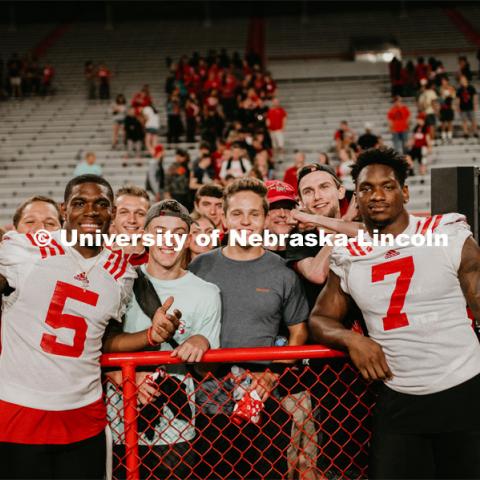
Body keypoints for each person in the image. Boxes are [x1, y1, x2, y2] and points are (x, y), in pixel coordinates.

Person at [309, 147, 480, 479]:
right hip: (398, 397)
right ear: (356, 197)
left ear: (403, 191)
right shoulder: (349, 254)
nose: (376, 195)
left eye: (387, 186)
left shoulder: (446, 235)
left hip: (465, 390)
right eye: (366, 188)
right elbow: (320, 318)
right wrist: (352, 340)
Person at [0, 174, 180, 479]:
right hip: (18, 408)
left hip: (84, 413)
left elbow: (102, 339)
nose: (91, 211)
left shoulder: (122, 273)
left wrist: (150, 336)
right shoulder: (24, 249)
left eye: (101, 204)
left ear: (111, 213)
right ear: (64, 210)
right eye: (79, 203)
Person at [190, 177, 309, 479]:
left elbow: (298, 332)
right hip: (209, 399)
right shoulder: (200, 267)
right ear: (226, 219)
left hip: (264, 398)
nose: (245, 222)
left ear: (265, 218)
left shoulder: (282, 272)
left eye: (254, 214)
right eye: (237, 214)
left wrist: (270, 376)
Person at [106, 200, 221, 480]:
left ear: (188, 238)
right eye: (159, 231)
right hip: (118, 423)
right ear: (145, 236)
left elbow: (207, 372)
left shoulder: (207, 292)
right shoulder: (118, 280)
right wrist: (123, 377)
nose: (168, 240)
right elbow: (96, 344)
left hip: (176, 429)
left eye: (177, 232)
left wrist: (201, 343)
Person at [110, 185, 150, 260]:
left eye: (140, 213)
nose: (132, 220)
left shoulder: (158, 263)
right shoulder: (95, 259)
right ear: (113, 218)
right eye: (124, 212)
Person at [456, 75, 478, 139]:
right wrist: (458, 107)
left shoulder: (471, 87)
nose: (462, 81)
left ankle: (475, 132)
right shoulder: (459, 89)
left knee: (473, 120)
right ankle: (466, 133)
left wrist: (475, 105)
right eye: (461, 80)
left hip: (470, 106)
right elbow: (458, 99)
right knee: (464, 121)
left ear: (466, 80)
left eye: (463, 79)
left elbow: (475, 96)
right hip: (462, 107)